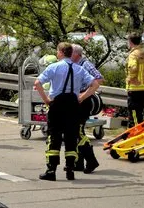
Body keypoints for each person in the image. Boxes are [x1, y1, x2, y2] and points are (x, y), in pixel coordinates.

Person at [34, 42, 99, 181]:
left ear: (61, 52)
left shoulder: (54, 67)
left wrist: (45, 99)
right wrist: (82, 97)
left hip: (57, 104)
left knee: (54, 137)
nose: (57, 54)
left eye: (58, 51)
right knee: (71, 138)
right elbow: (95, 84)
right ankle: (70, 170)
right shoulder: (79, 69)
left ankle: (51, 171)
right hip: (73, 105)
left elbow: (37, 83)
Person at [71, 44, 103, 173]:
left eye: (71, 52)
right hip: (76, 101)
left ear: (77, 54)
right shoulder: (73, 65)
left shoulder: (85, 64)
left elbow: (99, 78)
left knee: (78, 132)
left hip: (83, 101)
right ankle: (78, 162)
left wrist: (84, 94)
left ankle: (91, 161)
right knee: (74, 133)